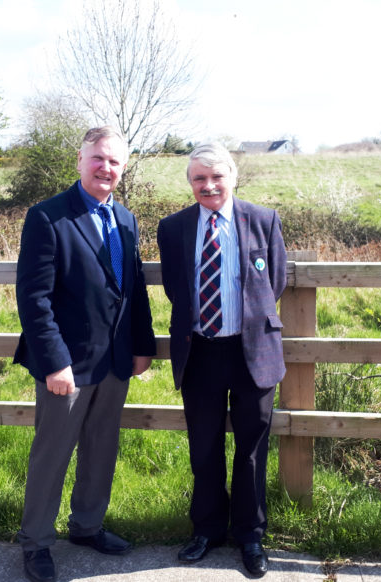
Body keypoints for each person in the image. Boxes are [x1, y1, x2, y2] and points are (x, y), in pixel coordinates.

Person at [13, 126, 156, 582]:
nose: (105, 168)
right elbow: (33, 298)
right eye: (98, 158)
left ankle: (87, 526)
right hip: (66, 366)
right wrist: (55, 361)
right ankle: (35, 543)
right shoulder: (48, 217)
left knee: (101, 449)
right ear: (79, 160)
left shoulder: (127, 220)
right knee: (52, 455)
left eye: (114, 161)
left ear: (124, 167)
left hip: (114, 362)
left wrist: (142, 346)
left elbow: (133, 291)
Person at [156, 142, 287, 578]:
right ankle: (207, 530)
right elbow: (177, 288)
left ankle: (250, 536)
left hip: (253, 351)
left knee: (251, 448)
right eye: (198, 178)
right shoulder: (173, 228)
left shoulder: (263, 220)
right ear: (190, 182)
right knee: (204, 445)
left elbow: (276, 281)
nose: (208, 185)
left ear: (233, 175)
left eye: (216, 176)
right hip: (201, 351)